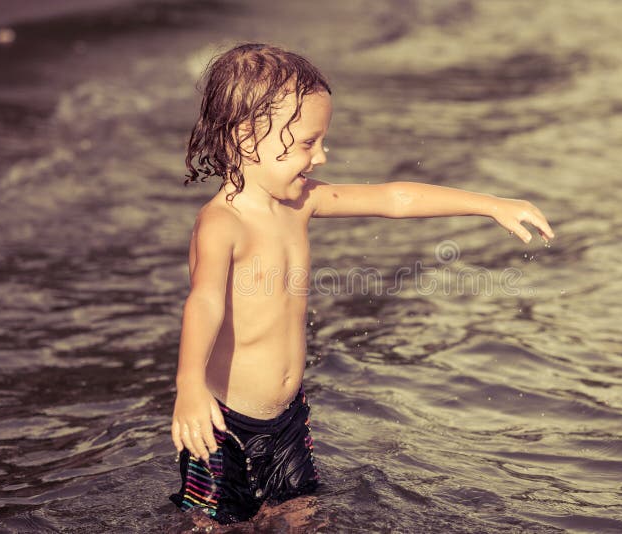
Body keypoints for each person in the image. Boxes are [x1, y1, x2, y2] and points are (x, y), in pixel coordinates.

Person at [169, 43, 555, 525]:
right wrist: (189, 386)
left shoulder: (299, 201)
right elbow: (203, 303)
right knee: (211, 525)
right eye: (308, 143)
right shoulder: (222, 223)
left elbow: (394, 198)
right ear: (248, 138)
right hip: (223, 425)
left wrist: (489, 202)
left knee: (303, 517)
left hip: (288, 419)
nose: (322, 156)